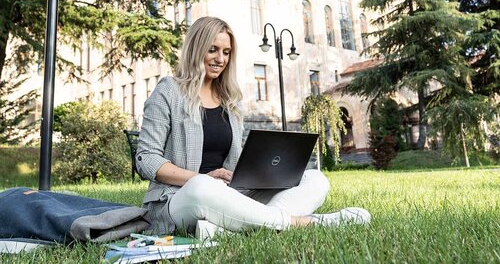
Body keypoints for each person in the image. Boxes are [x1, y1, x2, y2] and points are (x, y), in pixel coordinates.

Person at [136, 16, 370, 236]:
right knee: (201, 187)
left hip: (232, 193)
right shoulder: (169, 91)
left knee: (316, 180)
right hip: (180, 197)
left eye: (226, 52)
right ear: (196, 49)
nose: (220, 59)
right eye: (213, 50)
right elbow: (146, 159)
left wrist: (264, 173)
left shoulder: (231, 101)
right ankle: (306, 222)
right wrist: (203, 177)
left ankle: (224, 227)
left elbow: (236, 161)